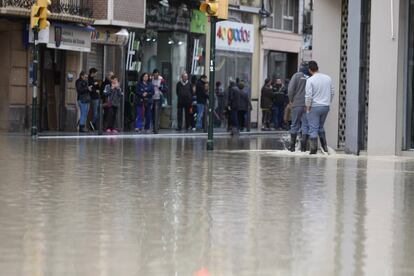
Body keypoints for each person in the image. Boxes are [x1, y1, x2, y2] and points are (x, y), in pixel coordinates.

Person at [305, 60, 334, 154]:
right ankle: (324, 148)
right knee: (320, 127)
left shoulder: (310, 80)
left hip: (314, 107)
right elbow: (332, 92)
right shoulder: (327, 78)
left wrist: (308, 107)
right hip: (325, 106)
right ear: (318, 67)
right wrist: (328, 101)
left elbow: (308, 95)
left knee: (313, 128)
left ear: (310, 70)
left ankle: (313, 151)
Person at [288, 62, 310, 152]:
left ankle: (292, 147)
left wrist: (291, 100)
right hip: (307, 105)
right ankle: (303, 148)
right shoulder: (310, 77)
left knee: (294, 124)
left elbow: (290, 89)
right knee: (305, 125)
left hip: (296, 103)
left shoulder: (296, 76)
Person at [151, 69, 165, 134]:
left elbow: (164, 88)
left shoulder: (161, 79)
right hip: (152, 97)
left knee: (157, 113)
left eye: (157, 74)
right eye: (155, 75)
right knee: (152, 113)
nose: (156, 76)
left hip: (159, 97)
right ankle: (153, 126)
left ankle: (156, 127)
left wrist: (161, 88)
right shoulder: (151, 79)